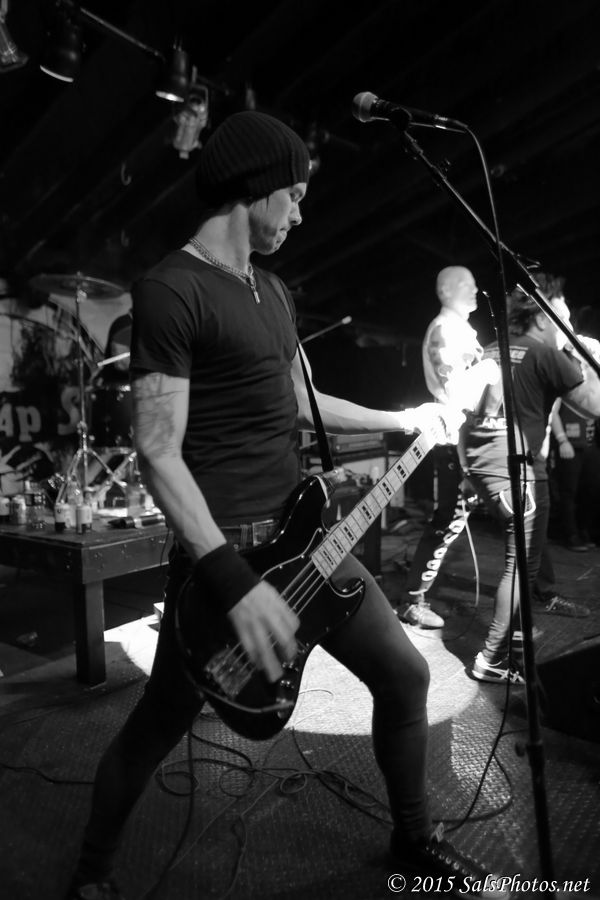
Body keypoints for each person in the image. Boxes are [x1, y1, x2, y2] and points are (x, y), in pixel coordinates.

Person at [66, 111, 508, 900]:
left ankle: (413, 840)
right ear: (256, 186)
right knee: (156, 727)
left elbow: (300, 402)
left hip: (309, 545)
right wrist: (233, 583)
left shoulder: (271, 291)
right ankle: (91, 874)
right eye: (295, 195)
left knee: (404, 675)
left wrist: (403, 419)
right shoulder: (171, 289)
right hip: (225, 561)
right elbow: (158, 451)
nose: (301, 213)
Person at [466, 274, 600, 684]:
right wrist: (589, 358)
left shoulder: (495, 347)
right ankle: (491, 657)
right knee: (521, 566)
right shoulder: (544, 352)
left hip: (484, 465)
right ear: (542, 317)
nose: (566, 323)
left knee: (522, 562)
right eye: (561, 314)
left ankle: (517, 642)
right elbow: (594, 405)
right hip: (517, 469)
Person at [400, 266, 490, 628]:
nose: (475, 290)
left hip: (469, 436)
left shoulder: (459, 329)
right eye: (467, 285)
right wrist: (487, 372)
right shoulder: (443, 329)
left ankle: (415, 596)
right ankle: (412, 600)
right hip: (455, 439)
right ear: (446, 291)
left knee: (458, 518)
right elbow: (455, 391)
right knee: (448, 519)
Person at [550, 396, 597, 551]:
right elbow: (553, 411)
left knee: (590, 489)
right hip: (571, 444)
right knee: (568, 491)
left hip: (591, 445)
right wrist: (562, 439)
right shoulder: (566, 386)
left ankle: (583, 529)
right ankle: (571, 534)